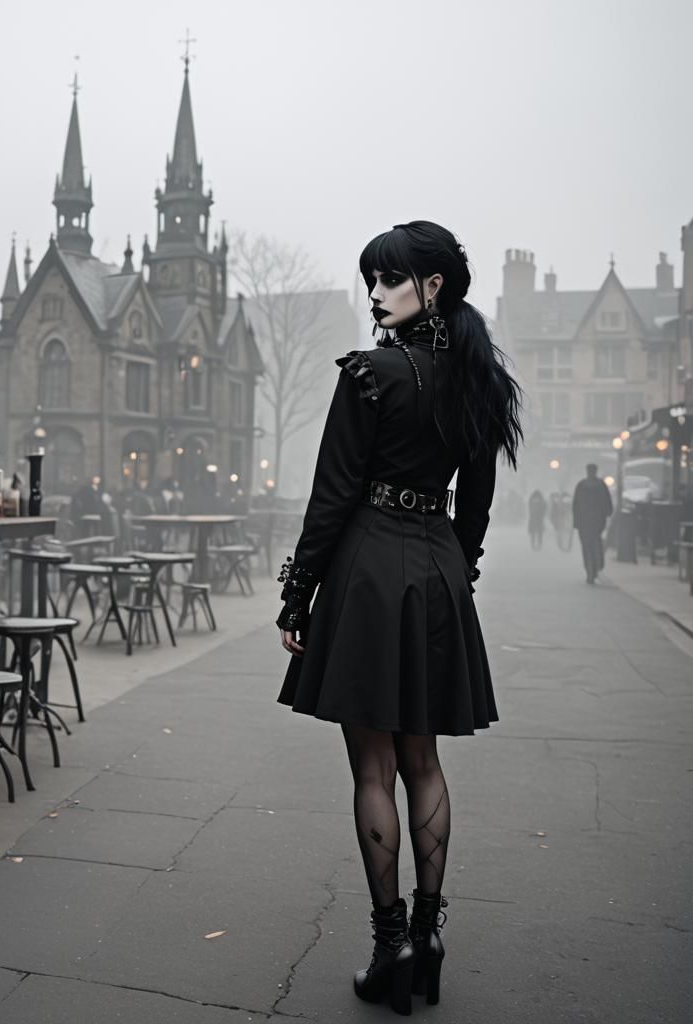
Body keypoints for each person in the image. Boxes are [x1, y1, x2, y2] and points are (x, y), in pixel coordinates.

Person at [276, 221, 522, 1016]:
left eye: (388, 280)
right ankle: (430, 937)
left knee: (373, 768)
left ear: (433, 288)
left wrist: (298, 592)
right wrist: (459, 570)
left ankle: (392, 947)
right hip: (437, 567)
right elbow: (475, 505)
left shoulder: (371, 375)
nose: (375, 293)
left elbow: (333, 494)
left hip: (371, 572)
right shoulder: (478, 379)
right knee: (424, 763)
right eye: (371, 280)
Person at [572, 464, 613, 583]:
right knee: (595, 544)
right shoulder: (601, 485)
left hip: (584, 522)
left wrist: (576, 522)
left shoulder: (581, 485)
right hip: (597, 522)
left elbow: (575, 505)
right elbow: (608, 503)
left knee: (586, 547)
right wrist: (607, 513)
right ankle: (595, 568)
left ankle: (590, 570)